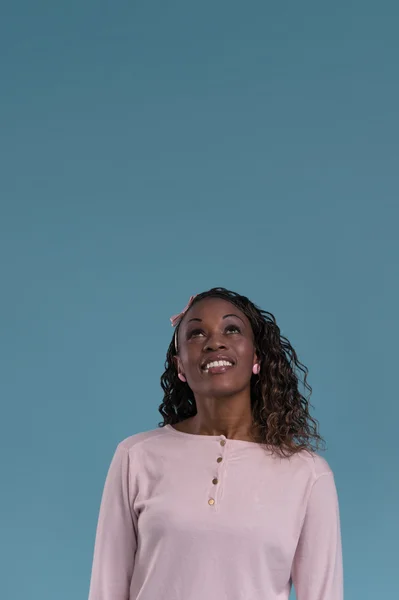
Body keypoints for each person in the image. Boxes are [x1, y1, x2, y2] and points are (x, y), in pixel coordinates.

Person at [88, 287, 344, 600]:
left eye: (232, 329)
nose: (215, 342)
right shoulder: (135, 456)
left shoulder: (309, 474)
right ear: (180, 365)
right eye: (196, 333)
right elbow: (106, 590)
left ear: (256, 357)